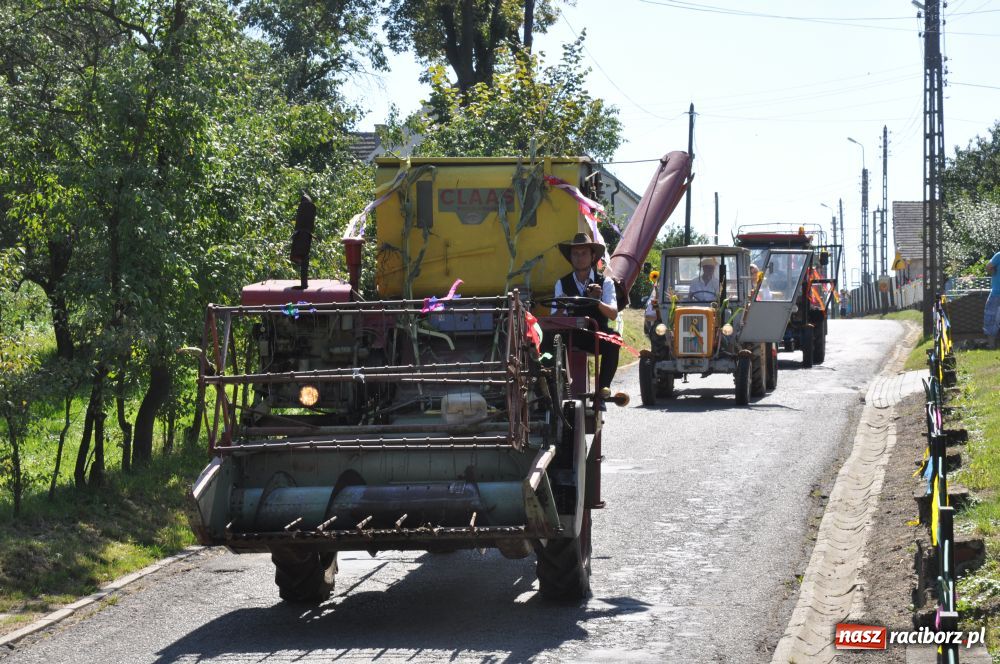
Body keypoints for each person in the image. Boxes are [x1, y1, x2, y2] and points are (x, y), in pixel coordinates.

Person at [552, 232, 620, 392]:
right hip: (571, 336)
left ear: (592, 256)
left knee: (615, 340)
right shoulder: (561, 283)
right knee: (550, 341)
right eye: (575, 254)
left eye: (583, 253)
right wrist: (563, 307)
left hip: (596, 334)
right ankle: (555, 392)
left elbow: (613, 313)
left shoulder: (606, 282)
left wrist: (597, 301)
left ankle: (602, 392)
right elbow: (554, 318)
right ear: (570, 257)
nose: (579, 257)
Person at [985, 250, 1000, 347]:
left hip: (997, 292)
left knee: (991, 318)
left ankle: (991, 345)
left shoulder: (999, 255)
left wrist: (992, 271)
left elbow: (988, 266)